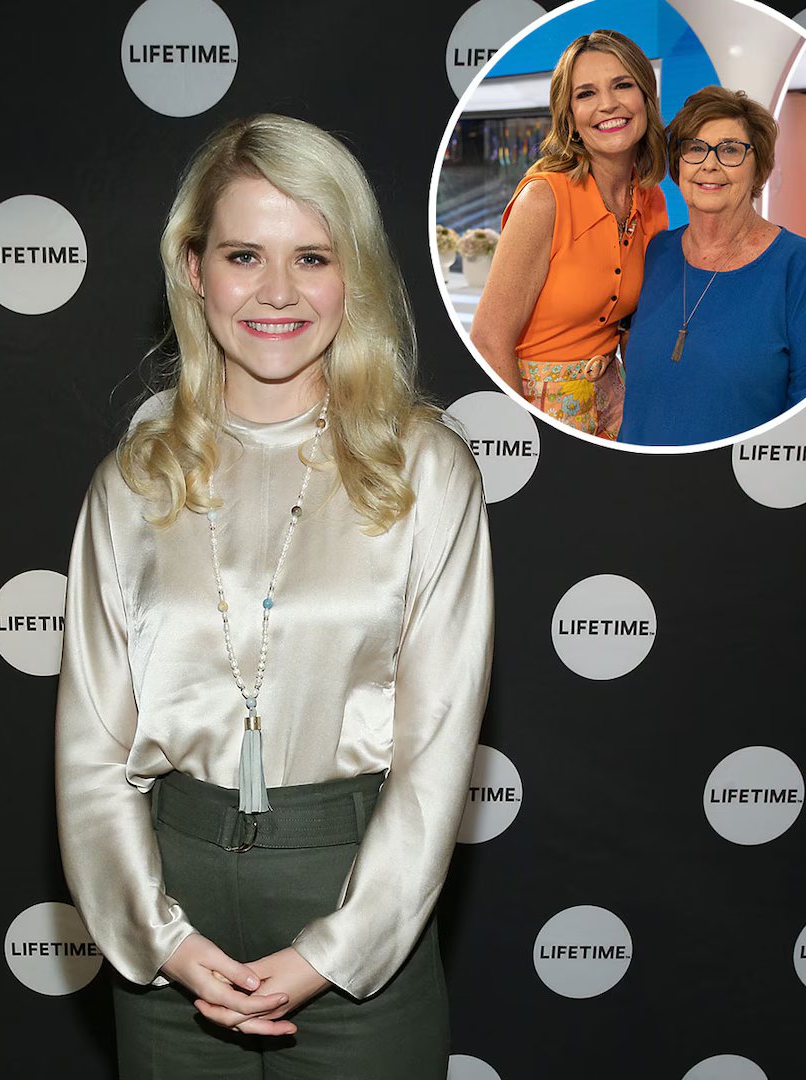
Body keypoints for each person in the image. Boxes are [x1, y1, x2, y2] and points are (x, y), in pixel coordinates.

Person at [54, 114, 493, 1080]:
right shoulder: (131, 484)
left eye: (313, 258)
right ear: (194, 267)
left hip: (360, 915)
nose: (278, 292)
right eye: (245, 254)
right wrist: (163, 942)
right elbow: (91, 751)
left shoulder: (427, 471)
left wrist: (331, 953)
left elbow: (436, 753)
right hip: (169, 930)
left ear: (354, 275)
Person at [619, 87, 806, 445]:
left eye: (730, 150)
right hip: (633, 474)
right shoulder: (656, 252)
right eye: (695, 148)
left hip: (734, 479)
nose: (709, 164)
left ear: (758, 168)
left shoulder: (796, 264)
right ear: (678, 166)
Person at [470, 29, 669, 439]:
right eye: (586, 93)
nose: (607, 104)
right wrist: (525, 435)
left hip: (615, 403)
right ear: (570, 117)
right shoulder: (543, 199)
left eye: (622, 85)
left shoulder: (652, 199)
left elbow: (632, 328)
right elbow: (489, 340)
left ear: (646, 98)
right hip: (537, 407)